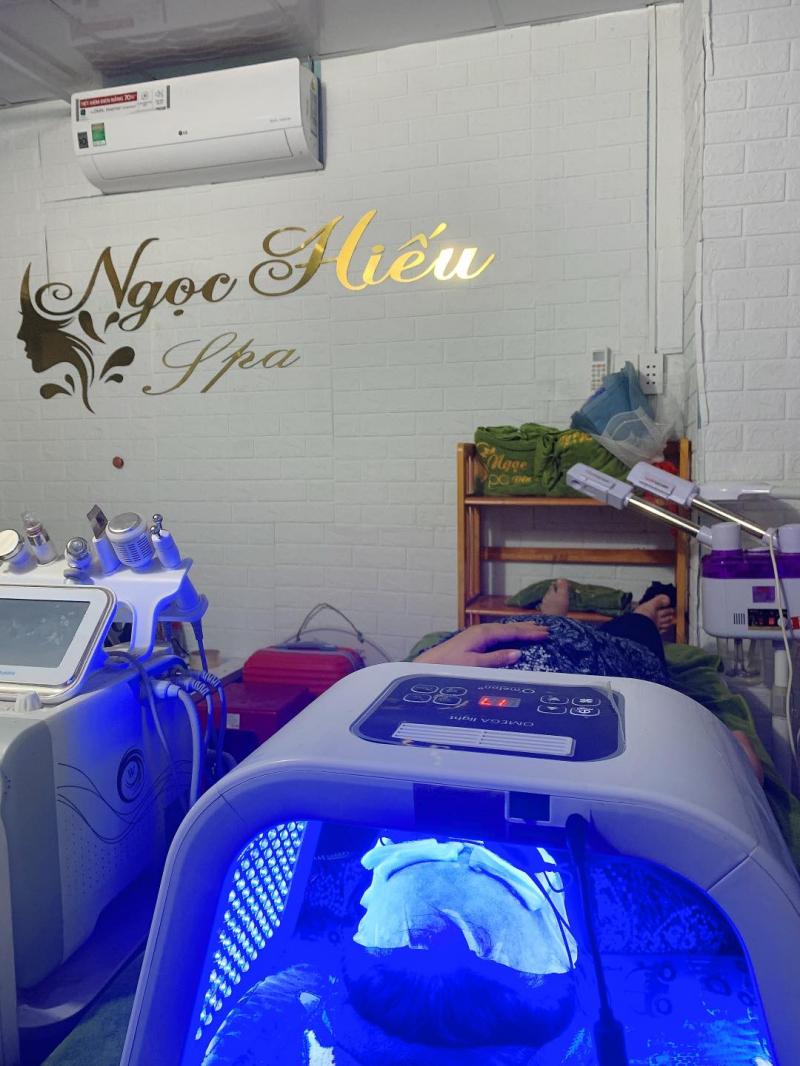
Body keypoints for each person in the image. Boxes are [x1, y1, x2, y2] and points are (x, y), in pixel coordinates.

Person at [413, 579, 764, 784]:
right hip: (595, 655)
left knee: (617, 635)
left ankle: (572, 617)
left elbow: (737, 749)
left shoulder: (418, 681)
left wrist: (417, 668)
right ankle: (639, 614)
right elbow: (737, 751)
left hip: (492, 645)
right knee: (633, 635)